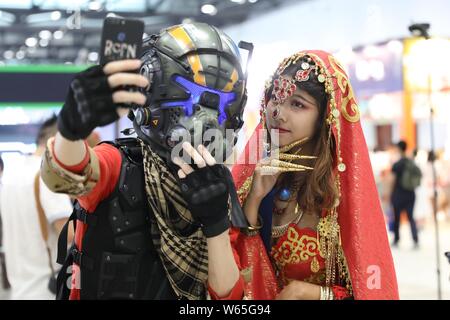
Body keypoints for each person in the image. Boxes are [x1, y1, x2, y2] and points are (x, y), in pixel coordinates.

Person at [41, 22, 250, 300]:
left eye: (222, 105)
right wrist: (70, 128)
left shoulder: (219, 187)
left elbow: (228, 298)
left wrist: (215, 225)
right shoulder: (120, 164)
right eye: (191, 96)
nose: (206, 119)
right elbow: (64, 175)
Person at [225, 50, 399, 300]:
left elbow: (372, 290)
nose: (278, 113)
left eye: (298, 104)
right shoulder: (256, 177)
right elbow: (237, 275)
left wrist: (314, 293)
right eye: (276, 99)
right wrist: (253, 200)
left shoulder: (341, 192)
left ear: (326, 117)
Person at [0, 115, 73, 299]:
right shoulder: (48, 176)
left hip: (18, 290)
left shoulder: (11, 174)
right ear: (59, 142)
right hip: (46, 289)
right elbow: (69, 233)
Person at [390, 140, 420, 248]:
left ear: (398, 148)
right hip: (410, 193)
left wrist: (389, 193)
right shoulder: (411, 162)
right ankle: (415, 239)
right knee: (410, 217)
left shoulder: (397, 164)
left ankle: (397, 239)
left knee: (397, 217)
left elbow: (392, 180)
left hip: (398, 193)